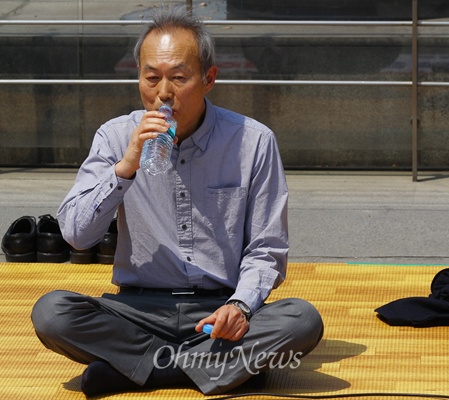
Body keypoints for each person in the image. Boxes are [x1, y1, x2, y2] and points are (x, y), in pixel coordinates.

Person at [31, 6, 323, 397]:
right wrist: (126, 166)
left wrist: (241, 307)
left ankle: (135, 371)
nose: (163, 93)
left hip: (219, 308)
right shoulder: (116, 136)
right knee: (52, 313)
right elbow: (76, 236)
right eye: (151, 78)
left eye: (178, 78)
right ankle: (225, 368)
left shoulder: (253, 141)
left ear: (209, 79)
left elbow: (267, 248)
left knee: (302, 320)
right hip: (138, 311)